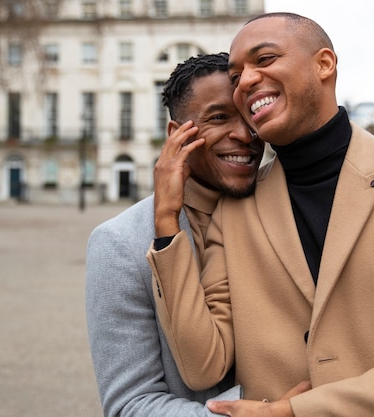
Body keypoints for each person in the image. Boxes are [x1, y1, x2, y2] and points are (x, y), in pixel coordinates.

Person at [147, 12, 374, 417]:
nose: (246, 81)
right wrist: (166, 223)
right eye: (237, 74)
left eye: (264, 59)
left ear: (325, 64)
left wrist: (295, 412)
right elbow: (201, 363)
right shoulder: (236, 211)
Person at [85, 52, 266, 417]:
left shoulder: (284, 208)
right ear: (177, 134)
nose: (245, 135)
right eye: (219, 117)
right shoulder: (119, 244)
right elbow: (131, 404)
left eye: (250, 117)